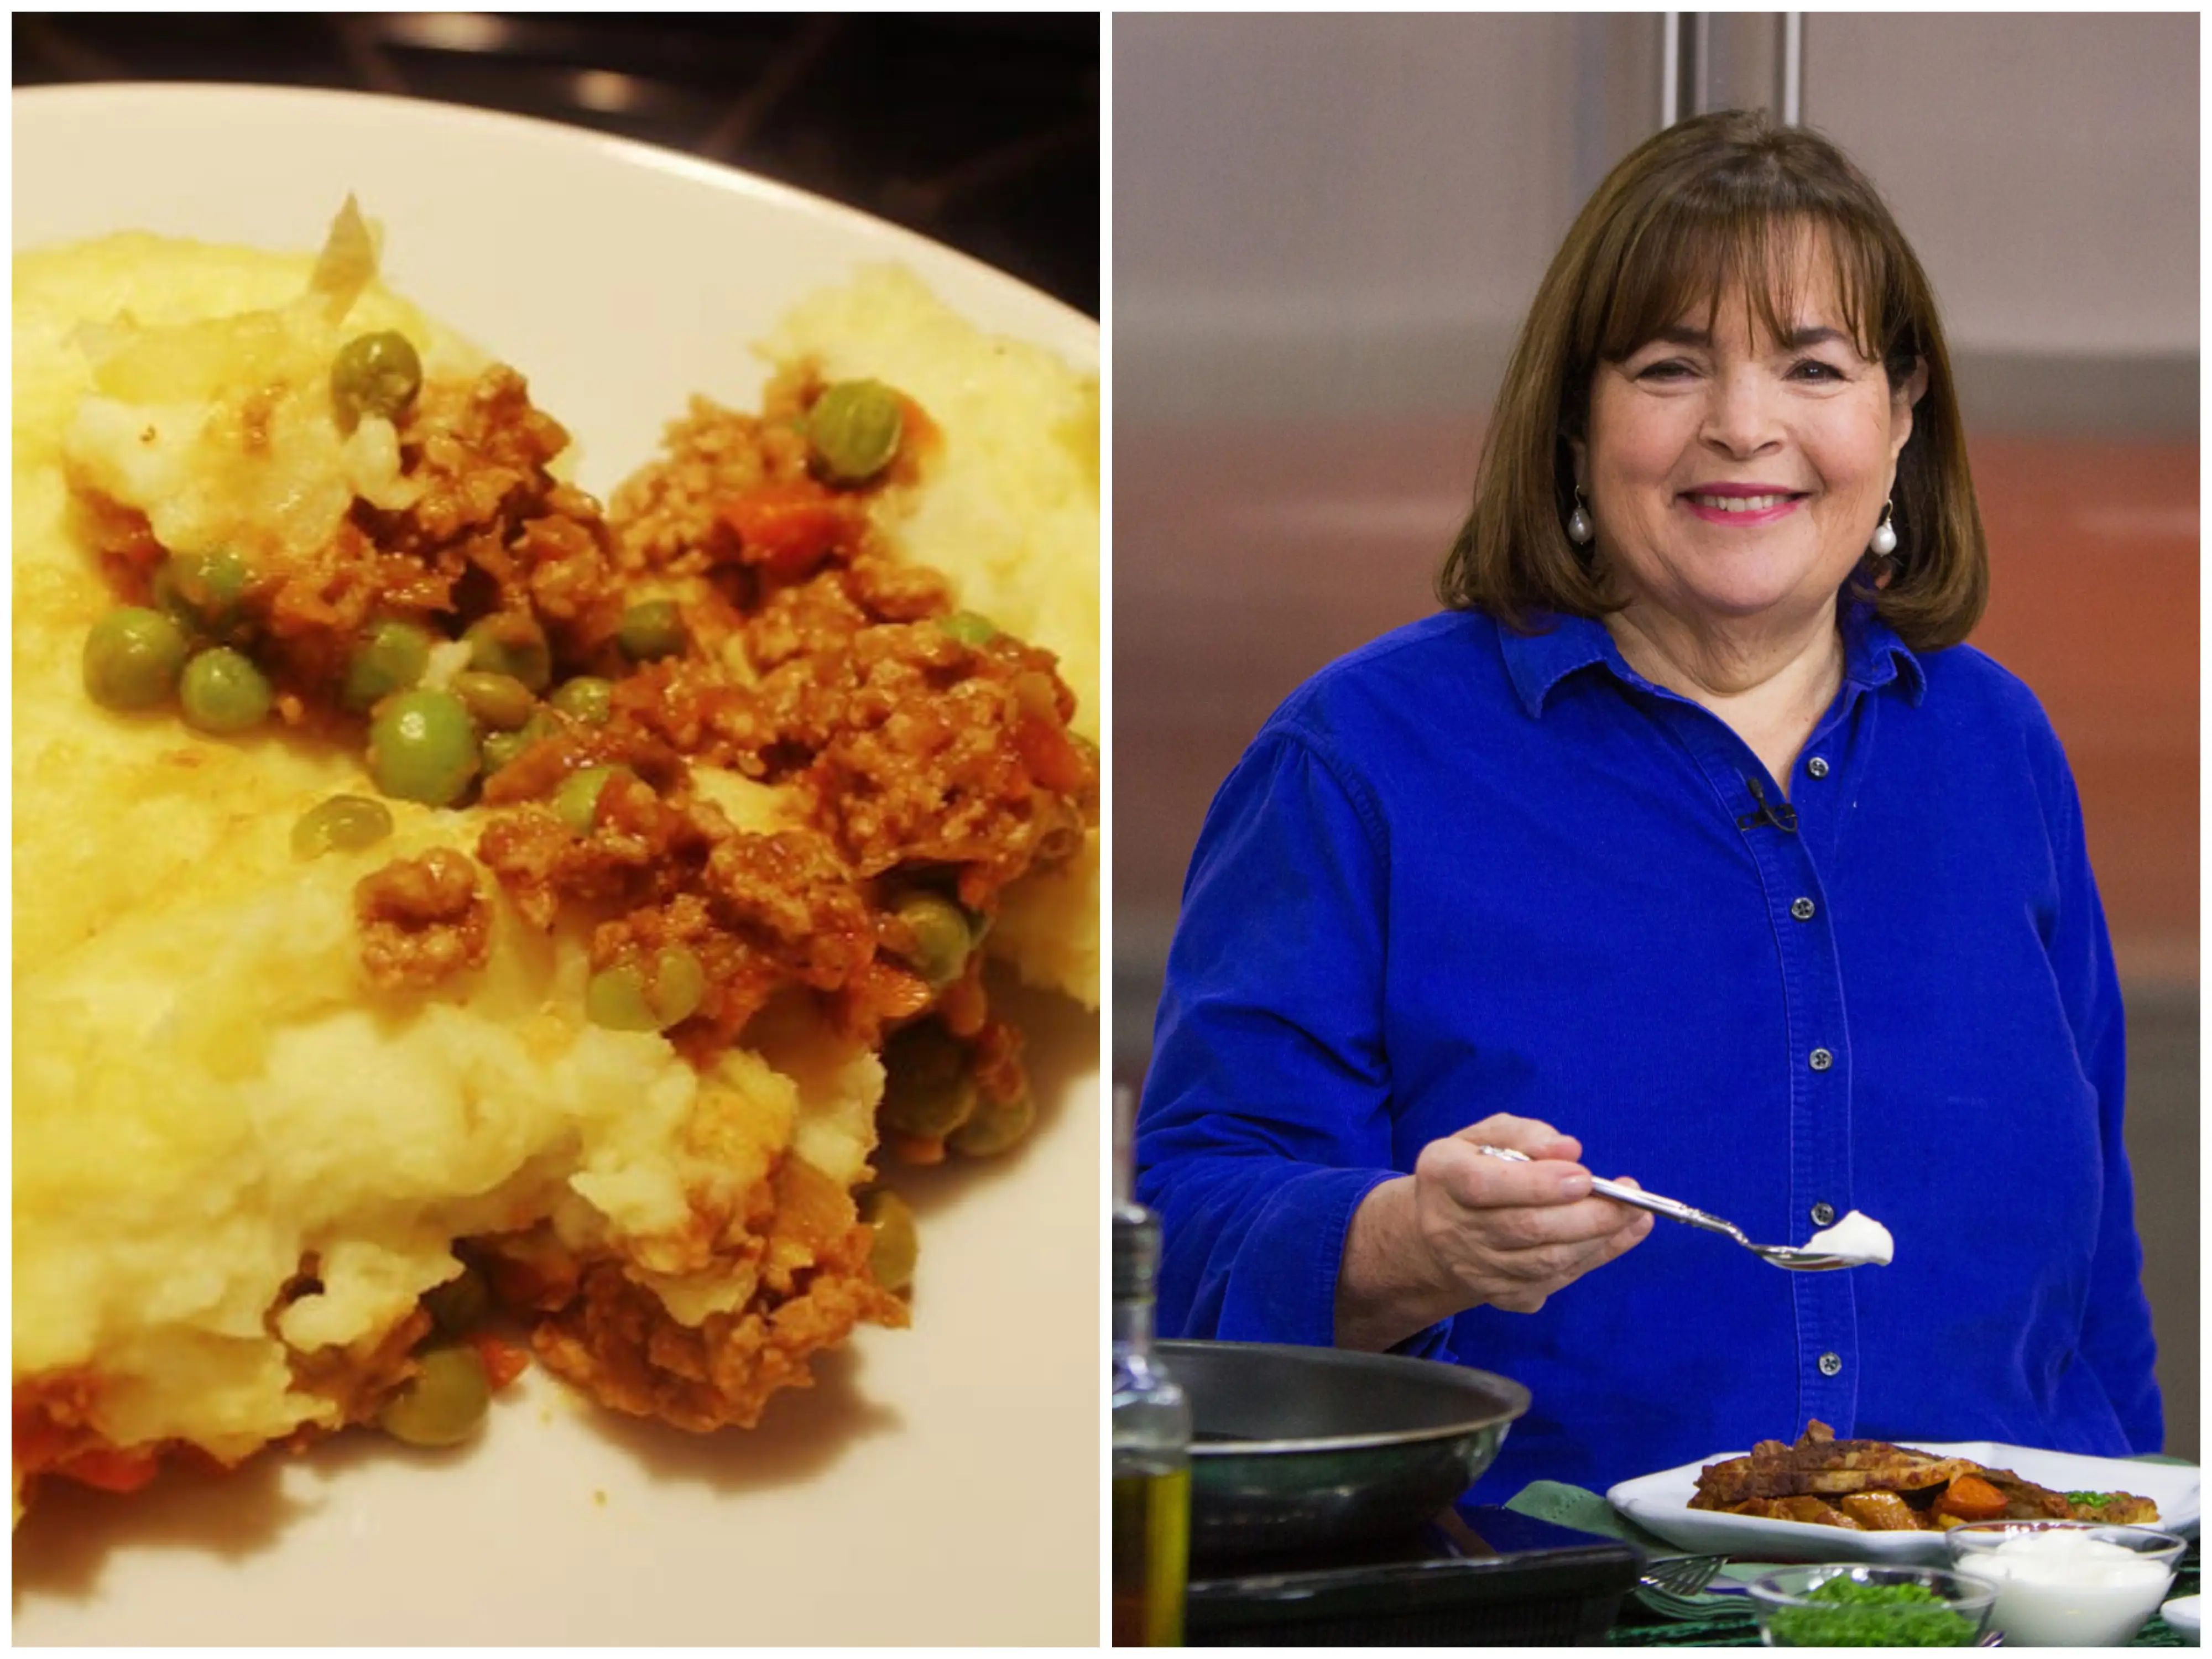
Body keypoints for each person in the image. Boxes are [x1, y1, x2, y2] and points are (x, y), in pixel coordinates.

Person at [1134, 109, 2162, 1501]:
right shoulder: (1356, 759)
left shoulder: (1999, 747)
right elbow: (1179, 1239)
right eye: (1669, 367)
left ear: (1900, 413)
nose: (1743, 427)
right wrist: (1401, 1243)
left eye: (1813, 366)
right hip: (1532, 1608)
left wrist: (2136, 1558)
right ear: (1573, 420)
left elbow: (2092, 1279)